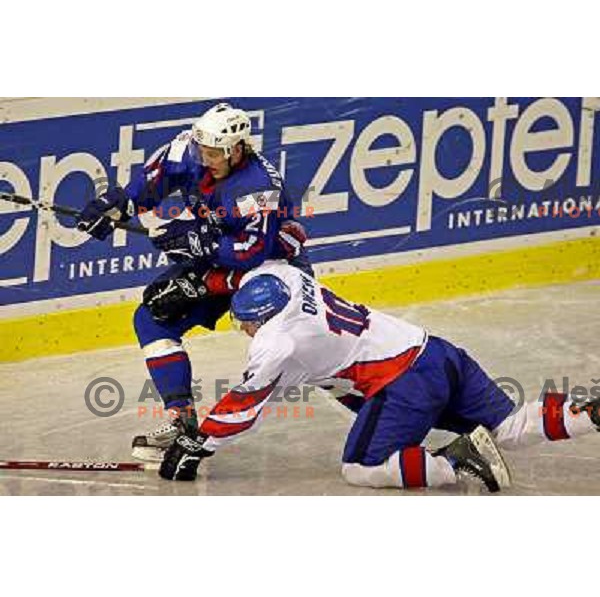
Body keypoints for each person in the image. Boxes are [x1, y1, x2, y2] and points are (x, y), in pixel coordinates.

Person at [159, 261, 600, 491]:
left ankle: (455, 462)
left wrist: (200, 443)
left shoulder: (277, 343)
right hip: (438, 351)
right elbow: (256, 267)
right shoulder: (287, 277)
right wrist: (210, 283)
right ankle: (590, 415)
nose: (247, 332)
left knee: (360, 467)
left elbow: (244, 403)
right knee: (509, 427)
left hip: (403, 383)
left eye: (248, 325)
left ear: (266, 320)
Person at [77, 103, 312, 460]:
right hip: (220, 257)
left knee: (310, 354)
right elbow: (147, 187)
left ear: (237, 149)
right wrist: (115, 204)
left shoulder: (259, 187)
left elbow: (251, 250)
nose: (206, 158)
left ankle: (386, 394)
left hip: (273, 270)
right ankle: (182, 423)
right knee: (152, 317)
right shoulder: (187, 149)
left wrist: (195, 241)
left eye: (215, 152)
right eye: (203, 150)